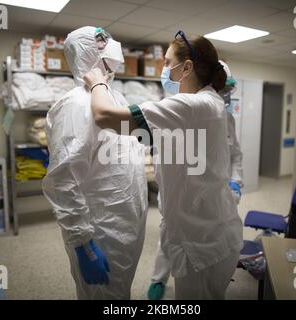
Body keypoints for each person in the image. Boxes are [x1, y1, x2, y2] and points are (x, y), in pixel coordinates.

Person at [83, 30, 243, 299]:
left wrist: (97, 82)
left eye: (168, 63)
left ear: (187, 67)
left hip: (200, 241)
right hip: (215, 227)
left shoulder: (190, 105)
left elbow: (104, 116)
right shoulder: (210, 102)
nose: (165, 69)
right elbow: (166, 139)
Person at [42, 26, 148, 300]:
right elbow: (63, 179)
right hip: (102, 229)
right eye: (101, 41)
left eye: (109, 38)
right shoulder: (76, 104)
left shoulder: (113, 96)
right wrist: (83, 245)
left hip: (124, 223)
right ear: (84, 51)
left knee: (119, 292)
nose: (111, 44)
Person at [147, 60, 244, 300]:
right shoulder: (176, 110)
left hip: (214, 194)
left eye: (226, 90)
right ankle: (158, 278)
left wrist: (235, 180)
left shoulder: (226, 118)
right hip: (180, 196)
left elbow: (234, 154)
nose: (224, 95)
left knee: (202, 250)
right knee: (170, 237)